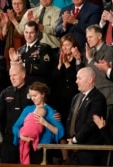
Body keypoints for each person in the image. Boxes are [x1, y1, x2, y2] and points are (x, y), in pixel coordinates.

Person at [12, 81, 64, 164]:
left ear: (43, 94)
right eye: (31, 96)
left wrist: (45, 123)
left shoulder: (51, 112)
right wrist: (21, 136)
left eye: (35, 95)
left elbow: (60, 132)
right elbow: (15, 127)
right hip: (27, 148)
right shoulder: (28, 109)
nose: (33, 98)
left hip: (43, 151)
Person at [50, 33, 81, 163]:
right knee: (60, 128)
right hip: (59, 100)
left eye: (68, 45)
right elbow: (52, 80)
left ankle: (73, 157)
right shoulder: (58, 58)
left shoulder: (77, 60)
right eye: (63, 45)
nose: (65, 48)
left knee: (71, 128)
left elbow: (74, 80)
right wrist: (59, 66)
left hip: (72, 100)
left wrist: (68, 66)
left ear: (73, 46)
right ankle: (64, 158)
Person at [75, 24, 113, 121]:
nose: (88, 39)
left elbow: (104, 73)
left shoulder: (109, 51)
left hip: (106, 95)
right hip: (91, 95)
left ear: (100, 36)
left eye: (90, 37)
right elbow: (83, 74)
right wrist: (78, 60)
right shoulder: (90, 51)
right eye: (87, 37)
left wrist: (90, 59)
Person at [66, 67, 106, 165]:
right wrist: (70, 139)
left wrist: (75, 140)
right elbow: (70, 120)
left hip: (88, 150)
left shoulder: (98, 98)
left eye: (79, 78)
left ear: (90, 79)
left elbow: (91, 124)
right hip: (74, 149)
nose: (76, 81)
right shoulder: (76, 97)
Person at [9, 21, 52, 86]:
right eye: (26, 32)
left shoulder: (44, 48)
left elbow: (44, 69)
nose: (28, 36)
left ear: (37, 33)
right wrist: (14, 62)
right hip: (23, 87)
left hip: (37, 86)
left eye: (31, 33)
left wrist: (22, 65)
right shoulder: (20, 50)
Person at [3, 0, 29, 70]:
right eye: (14, 4)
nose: (16, 6)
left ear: (24, 4)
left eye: (19, 3)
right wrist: (6, 23)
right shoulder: (11, 16)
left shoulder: (27, 16)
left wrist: (13, 20)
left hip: (21, 49)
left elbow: (22, 33)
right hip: (9, 49)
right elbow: (3, 35)